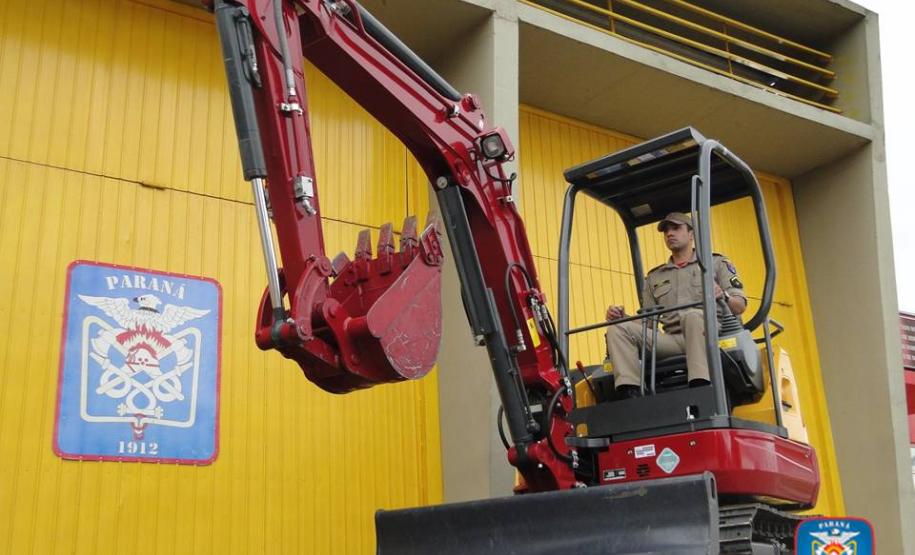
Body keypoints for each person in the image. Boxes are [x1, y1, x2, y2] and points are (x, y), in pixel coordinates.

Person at [605, 212, 747, 398]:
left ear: (691, 234)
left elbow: (740, 305)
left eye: (676, 228)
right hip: (673, 340)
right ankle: (630, 392)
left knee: (692, 316)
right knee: (617, 329)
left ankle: (700, 385)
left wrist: (724, 295)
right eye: (666, 231)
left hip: (710, 335)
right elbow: (649, 323)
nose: (669, 234)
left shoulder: (716, 263)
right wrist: (623, 319)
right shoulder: (655, 277)